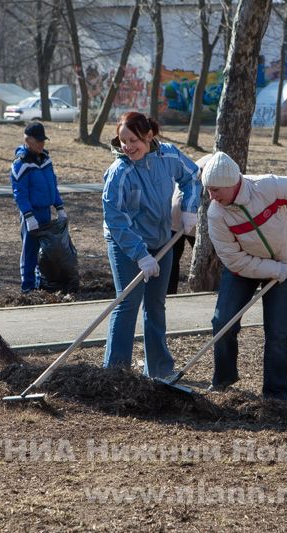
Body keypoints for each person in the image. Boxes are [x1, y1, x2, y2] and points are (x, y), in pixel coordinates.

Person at [203, 151, 287, 401]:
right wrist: (274, 270)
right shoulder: (216, 214)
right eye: (208, 190)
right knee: (223, 322)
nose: (211, 196)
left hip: (285, 261)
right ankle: (223, 379)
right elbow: (234, 259)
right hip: (243, 269)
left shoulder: (267, 187)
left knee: (278, 333)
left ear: (231, 183)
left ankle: (276, 396)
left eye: (215, 190)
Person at [102, 111, 202, 378]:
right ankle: (115, 373)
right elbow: (115, 219)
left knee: (156, 304)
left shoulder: (168, 156)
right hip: (126, 244)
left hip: (161, 240)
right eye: (123, 141)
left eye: (133, 140)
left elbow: (193, 176)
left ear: (149, 136)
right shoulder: (119, 172)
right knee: (127, 303)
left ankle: (158, 370)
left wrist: (189, 208)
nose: (127, 147)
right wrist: (140, 255)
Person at [10, 122, 66, 293]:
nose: (42, 144)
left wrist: (59, 207)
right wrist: (28, 216)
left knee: (45, 250)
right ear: (28, 140)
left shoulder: (46, 159)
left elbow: (52, 185)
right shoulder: (21, 164)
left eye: (43, 140)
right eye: (38, 141)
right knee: (30, 249)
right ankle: (27, 287)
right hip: (31, 214)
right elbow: (20, 193)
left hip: (46, 212)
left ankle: (40, 281)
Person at [167, 182, 197, 295]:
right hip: (189, 213)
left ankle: (169, 294)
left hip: (177, 209)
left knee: (172, 260)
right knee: (172, 260)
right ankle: (169, 295)